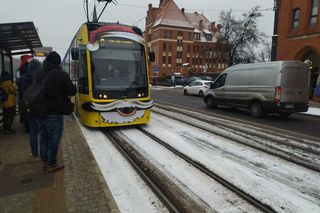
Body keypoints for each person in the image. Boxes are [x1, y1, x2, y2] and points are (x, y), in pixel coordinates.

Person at [38, 51, 76, 173]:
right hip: (54, 112)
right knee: (54, 138)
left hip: (40, 111)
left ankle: (44, 161)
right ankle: (51, 164)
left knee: (44, 137)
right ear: (58, 63)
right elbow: (72, 90)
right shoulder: (59, 74)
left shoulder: (40, 72)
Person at [24, 59, 42, 157]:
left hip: (28, 108)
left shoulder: (23, 79)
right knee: (42, 130)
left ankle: (34, 152)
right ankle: (44, 152)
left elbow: (22, 95)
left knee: (32, 130)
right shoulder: (40, 79)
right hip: (39, 108)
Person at [17, 55, 33, 132]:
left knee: (25, 112)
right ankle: (31, 127)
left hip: (23, 95)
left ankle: (27, 128)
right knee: (30, 112)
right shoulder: (29, 67)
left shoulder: (21, 67)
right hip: (30, 94)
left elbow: (19, 83)